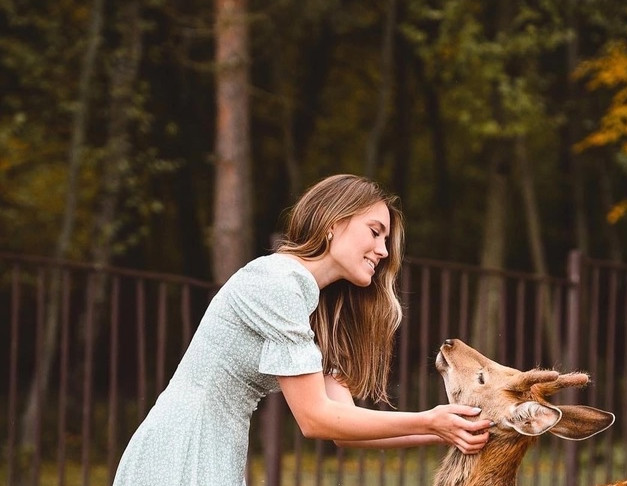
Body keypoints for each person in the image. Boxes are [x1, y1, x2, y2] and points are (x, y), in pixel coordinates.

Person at [112, 174, 492, 485]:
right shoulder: (278, 282)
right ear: (333, 223)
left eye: (386, 241)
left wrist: (449, 429)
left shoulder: (317, 309)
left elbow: (342, 429)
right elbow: (315, 419)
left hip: (219, 445)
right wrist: (430, 419)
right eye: (375, 232)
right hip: (182, 446)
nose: (384, 251)